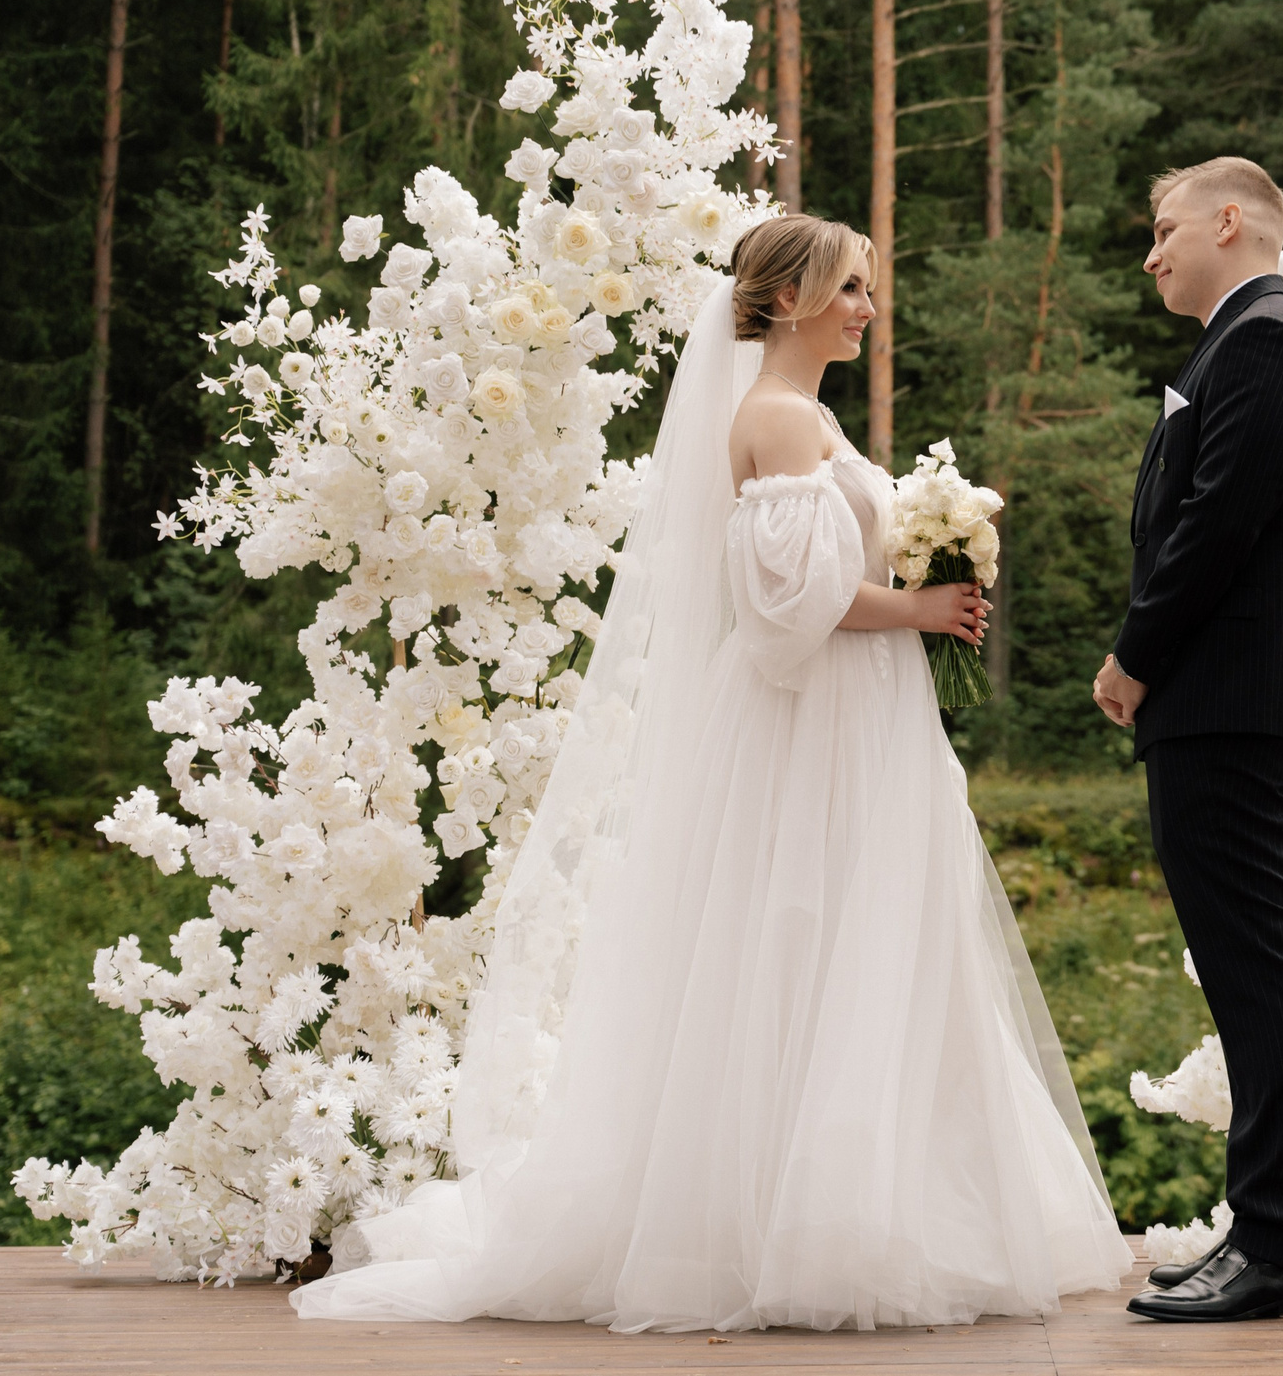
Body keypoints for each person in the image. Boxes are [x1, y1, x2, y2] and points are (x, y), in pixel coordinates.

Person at [293, 214, 1133, 1331]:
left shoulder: (810, 414)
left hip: (862, 721)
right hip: (814, 728)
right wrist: (921, 606)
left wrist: (931, 560)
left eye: (869, 289)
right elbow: (785, 614)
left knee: (862, 942)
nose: (867, 309)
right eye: (850, 289)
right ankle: (800, 1223)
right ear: (787, 300)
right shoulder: (779, 417)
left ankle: (887, 1203)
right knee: (805, 938)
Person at [1094, 159, 1283, 1324]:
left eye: (1163, 230)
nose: (1151, 254)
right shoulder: (1247, 341)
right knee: (1247, 968)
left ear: (1229, 220)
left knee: (1255, 968)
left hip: (1228, 694)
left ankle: (1276, 1248)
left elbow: (1215, 526)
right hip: (1227, 696)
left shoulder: (1263, 342)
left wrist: (1133, 654)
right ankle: (1259, 1231)